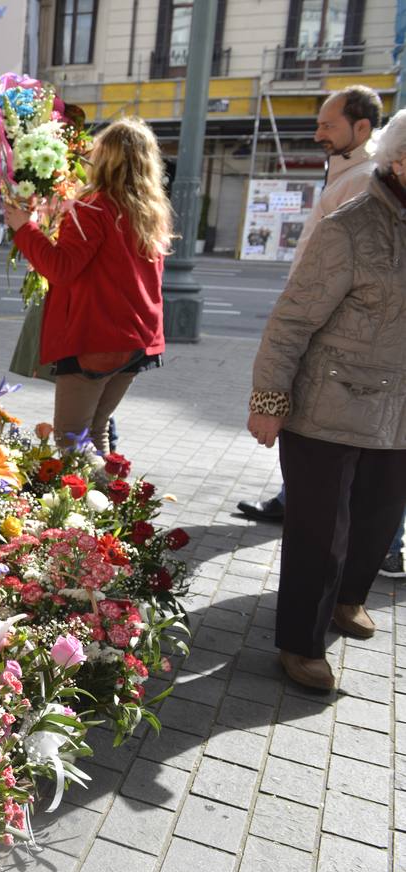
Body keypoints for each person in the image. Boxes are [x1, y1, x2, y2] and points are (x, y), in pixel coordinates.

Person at [247, 108, 406, 693]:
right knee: (320, 532)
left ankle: (347, 599)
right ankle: (300, 643)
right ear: (400, 160)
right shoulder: (349, 227)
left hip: (400, 410)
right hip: (329, 404)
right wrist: (269, 399)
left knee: (379, 520)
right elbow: (291, 320)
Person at [237, 85, 384, 524]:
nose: (318, 133)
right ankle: (294, 499)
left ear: (362, 127)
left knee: (331, 425)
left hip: (334, 324)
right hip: (327, 316)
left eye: (328, 125)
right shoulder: (347, 170)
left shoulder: (364, 178)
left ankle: (355, 530)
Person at [3, 118, 171, 454]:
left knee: (71, 439)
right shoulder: (150, 211)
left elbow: (61, 268)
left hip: (95, 339)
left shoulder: (93, 207)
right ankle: (111, 485)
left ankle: (98, 488)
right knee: (96, 432)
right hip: (137, 340)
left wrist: (25, 228)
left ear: (105, 158)